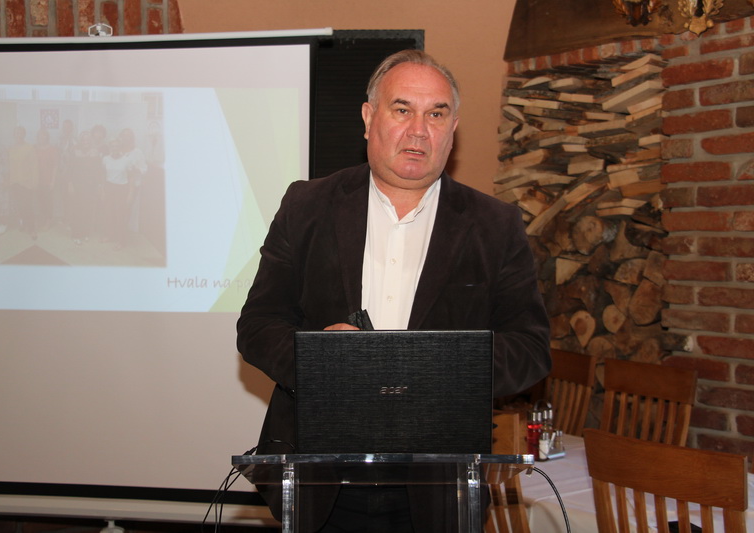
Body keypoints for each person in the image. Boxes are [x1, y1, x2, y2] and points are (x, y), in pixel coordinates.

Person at [236, 49, 551, 533]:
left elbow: (530, 349)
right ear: (369, 118)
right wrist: (325, 362)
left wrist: (424, 366)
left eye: (436, 114)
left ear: (453, 129)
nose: (418, 130)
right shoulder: (307, 206)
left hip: (440, 487)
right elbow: (258, 327)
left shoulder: (495, 225)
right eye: (402, 109)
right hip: (320, 480)